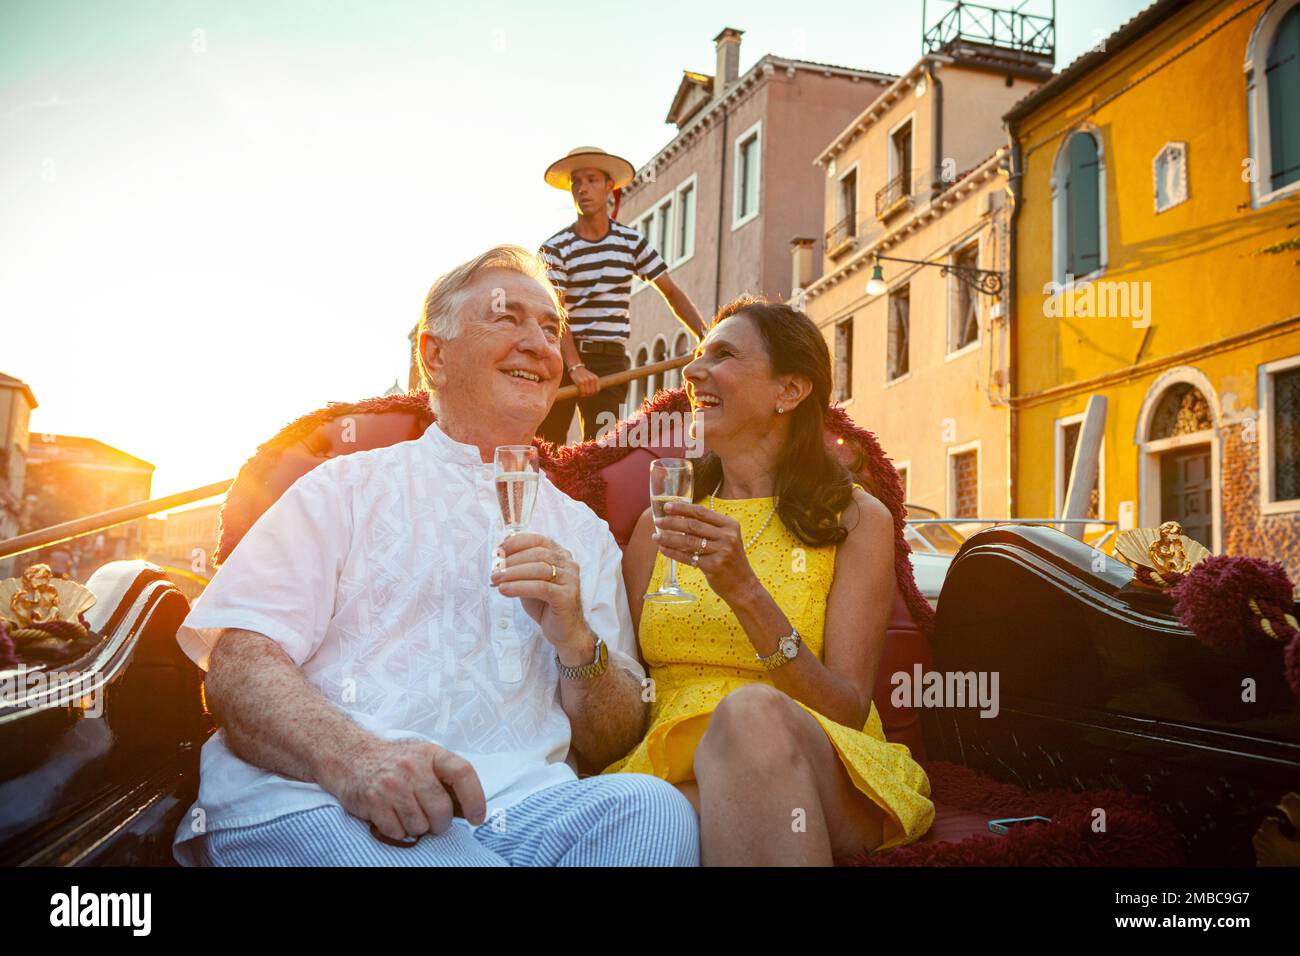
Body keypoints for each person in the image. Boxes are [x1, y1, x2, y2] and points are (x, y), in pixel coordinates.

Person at [171, 245, 698, 866]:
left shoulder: (585, 535)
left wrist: (578, 642)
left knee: (653, 812)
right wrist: (356, 760)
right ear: (434, 355)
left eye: (551, 328)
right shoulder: (342, 488)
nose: (540, 344)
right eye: (508, 319)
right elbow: (238, 664)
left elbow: (612, 738)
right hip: (323, 797)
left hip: (523, 808)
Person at [605, 297, 935, 866]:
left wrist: (745, 592)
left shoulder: (855, 520)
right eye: (698, 355)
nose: (692, 371)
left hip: (819, 761)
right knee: (667, 807)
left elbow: (847, 709)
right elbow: (629, 697)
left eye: (724, 355)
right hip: (669, 767)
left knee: (750, 713)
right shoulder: (657, 525)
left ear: (790, 391)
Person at [537, 146, 706, 445]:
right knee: (547, 444)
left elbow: (671, 292)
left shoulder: (631, 242)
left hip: (610, 363)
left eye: (591, 180)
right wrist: (575, 366)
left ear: (609, 187)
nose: (582, 189)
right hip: (563, 358)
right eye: (576, 182)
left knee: (603, 447)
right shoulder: (555, 247)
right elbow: (555, 313)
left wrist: (707, 338)